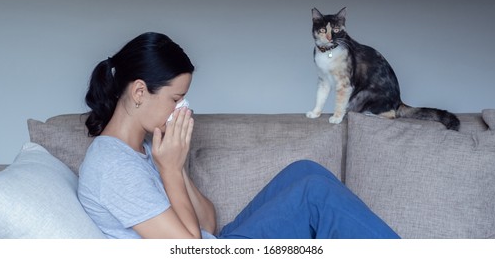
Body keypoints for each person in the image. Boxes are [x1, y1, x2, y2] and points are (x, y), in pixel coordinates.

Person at [77, 32, 400, 239]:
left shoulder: (149, 146)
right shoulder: (112, 167)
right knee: (313, 194)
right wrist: (171, 171)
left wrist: (178, 167)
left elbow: (209, 225)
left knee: (305, 171)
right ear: (138, 92)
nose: (182, 109)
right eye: (176, 99)